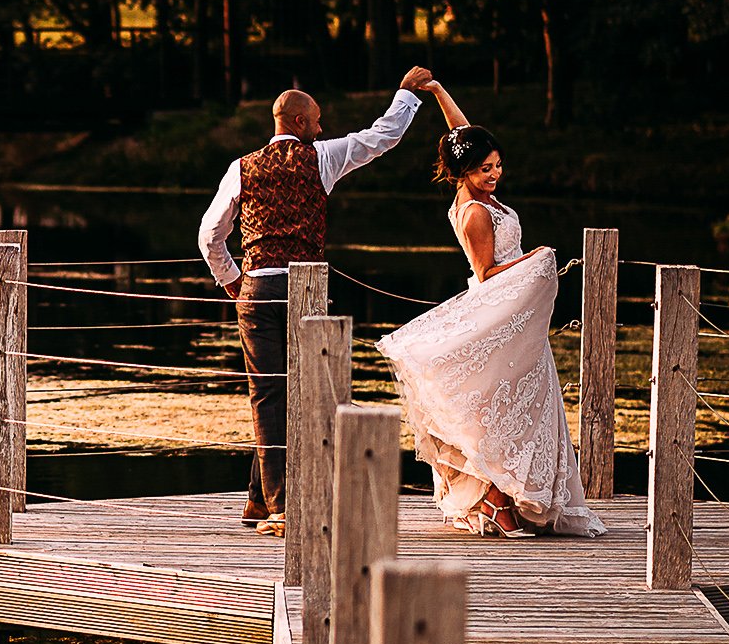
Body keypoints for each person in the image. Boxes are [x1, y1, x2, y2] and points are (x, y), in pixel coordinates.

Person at [198, 66, 435, 535]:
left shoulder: (240, 167)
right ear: (301, 124)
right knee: (298, 394)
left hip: (258, 287)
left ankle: (258, 502)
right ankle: (283, 505)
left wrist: (232, 279)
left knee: (271, 393)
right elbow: (380, 138)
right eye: (319, 120)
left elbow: (209, 235)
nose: (323, 128)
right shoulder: (322, 158)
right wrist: (406, 95)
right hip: (307, 291)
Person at [374, 80, 605, 537]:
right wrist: (536, 259)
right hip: (495, 312)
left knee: (518, 404)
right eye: (484, 169)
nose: (494, 174)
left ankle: (507, 498)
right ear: (465, 172)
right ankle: (495, 499)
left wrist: (439, 91)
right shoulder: (475, 212)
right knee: (494, 407)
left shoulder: (480, 191)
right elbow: (485, 271)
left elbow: (464, 132)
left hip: (513, 316)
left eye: (497, 165)